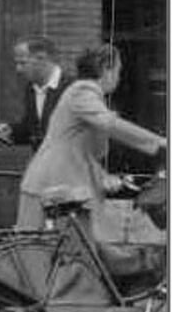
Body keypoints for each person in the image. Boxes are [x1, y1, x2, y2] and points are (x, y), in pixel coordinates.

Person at [15, 44, 167, 229]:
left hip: (68, 190)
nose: (119, 78)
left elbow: (83, 151)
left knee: (79, 251)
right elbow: (109, 124)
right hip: (52, 185)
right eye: (118, 71)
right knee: (31, 250)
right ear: (106, 70)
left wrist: (103, 176)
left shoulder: (90, 98)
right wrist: (159, 142)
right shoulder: (82, 91)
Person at [8, 35, 73, 149]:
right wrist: (7, 131)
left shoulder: (73, 88)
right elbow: (33, 130)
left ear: (42, 58)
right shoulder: (30, 89)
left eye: (23, 63)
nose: (18, 69)